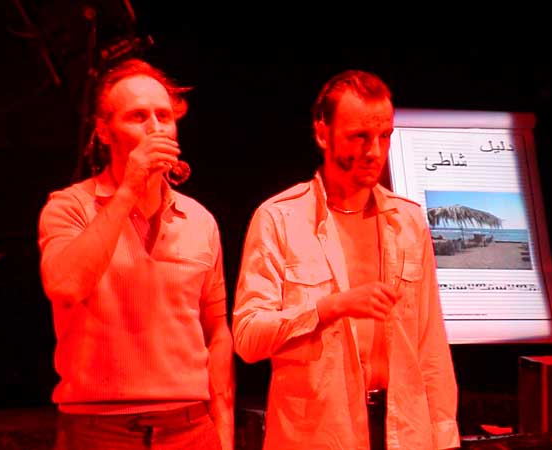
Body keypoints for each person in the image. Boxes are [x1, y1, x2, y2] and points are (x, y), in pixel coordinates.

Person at [232, 70, 460, 449]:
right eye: (359, 136)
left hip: (402, 430)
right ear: (323, 133)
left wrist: (445, 437)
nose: (374, 152)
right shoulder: (280, 218)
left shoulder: (408, 221)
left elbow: (431, 346)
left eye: (384, 136)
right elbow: (248, 337)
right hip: (319, 434)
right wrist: (329, 308)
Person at [37, 58, 234, 450]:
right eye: (138, 117)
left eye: (164, 116)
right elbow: (65, 287)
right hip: (98, 430)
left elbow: (216, 332)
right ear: (104, 131)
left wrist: (223, 428)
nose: (155, 128)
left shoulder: (199, 220)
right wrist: (128, 189)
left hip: (190, 428)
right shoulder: (69, 207)